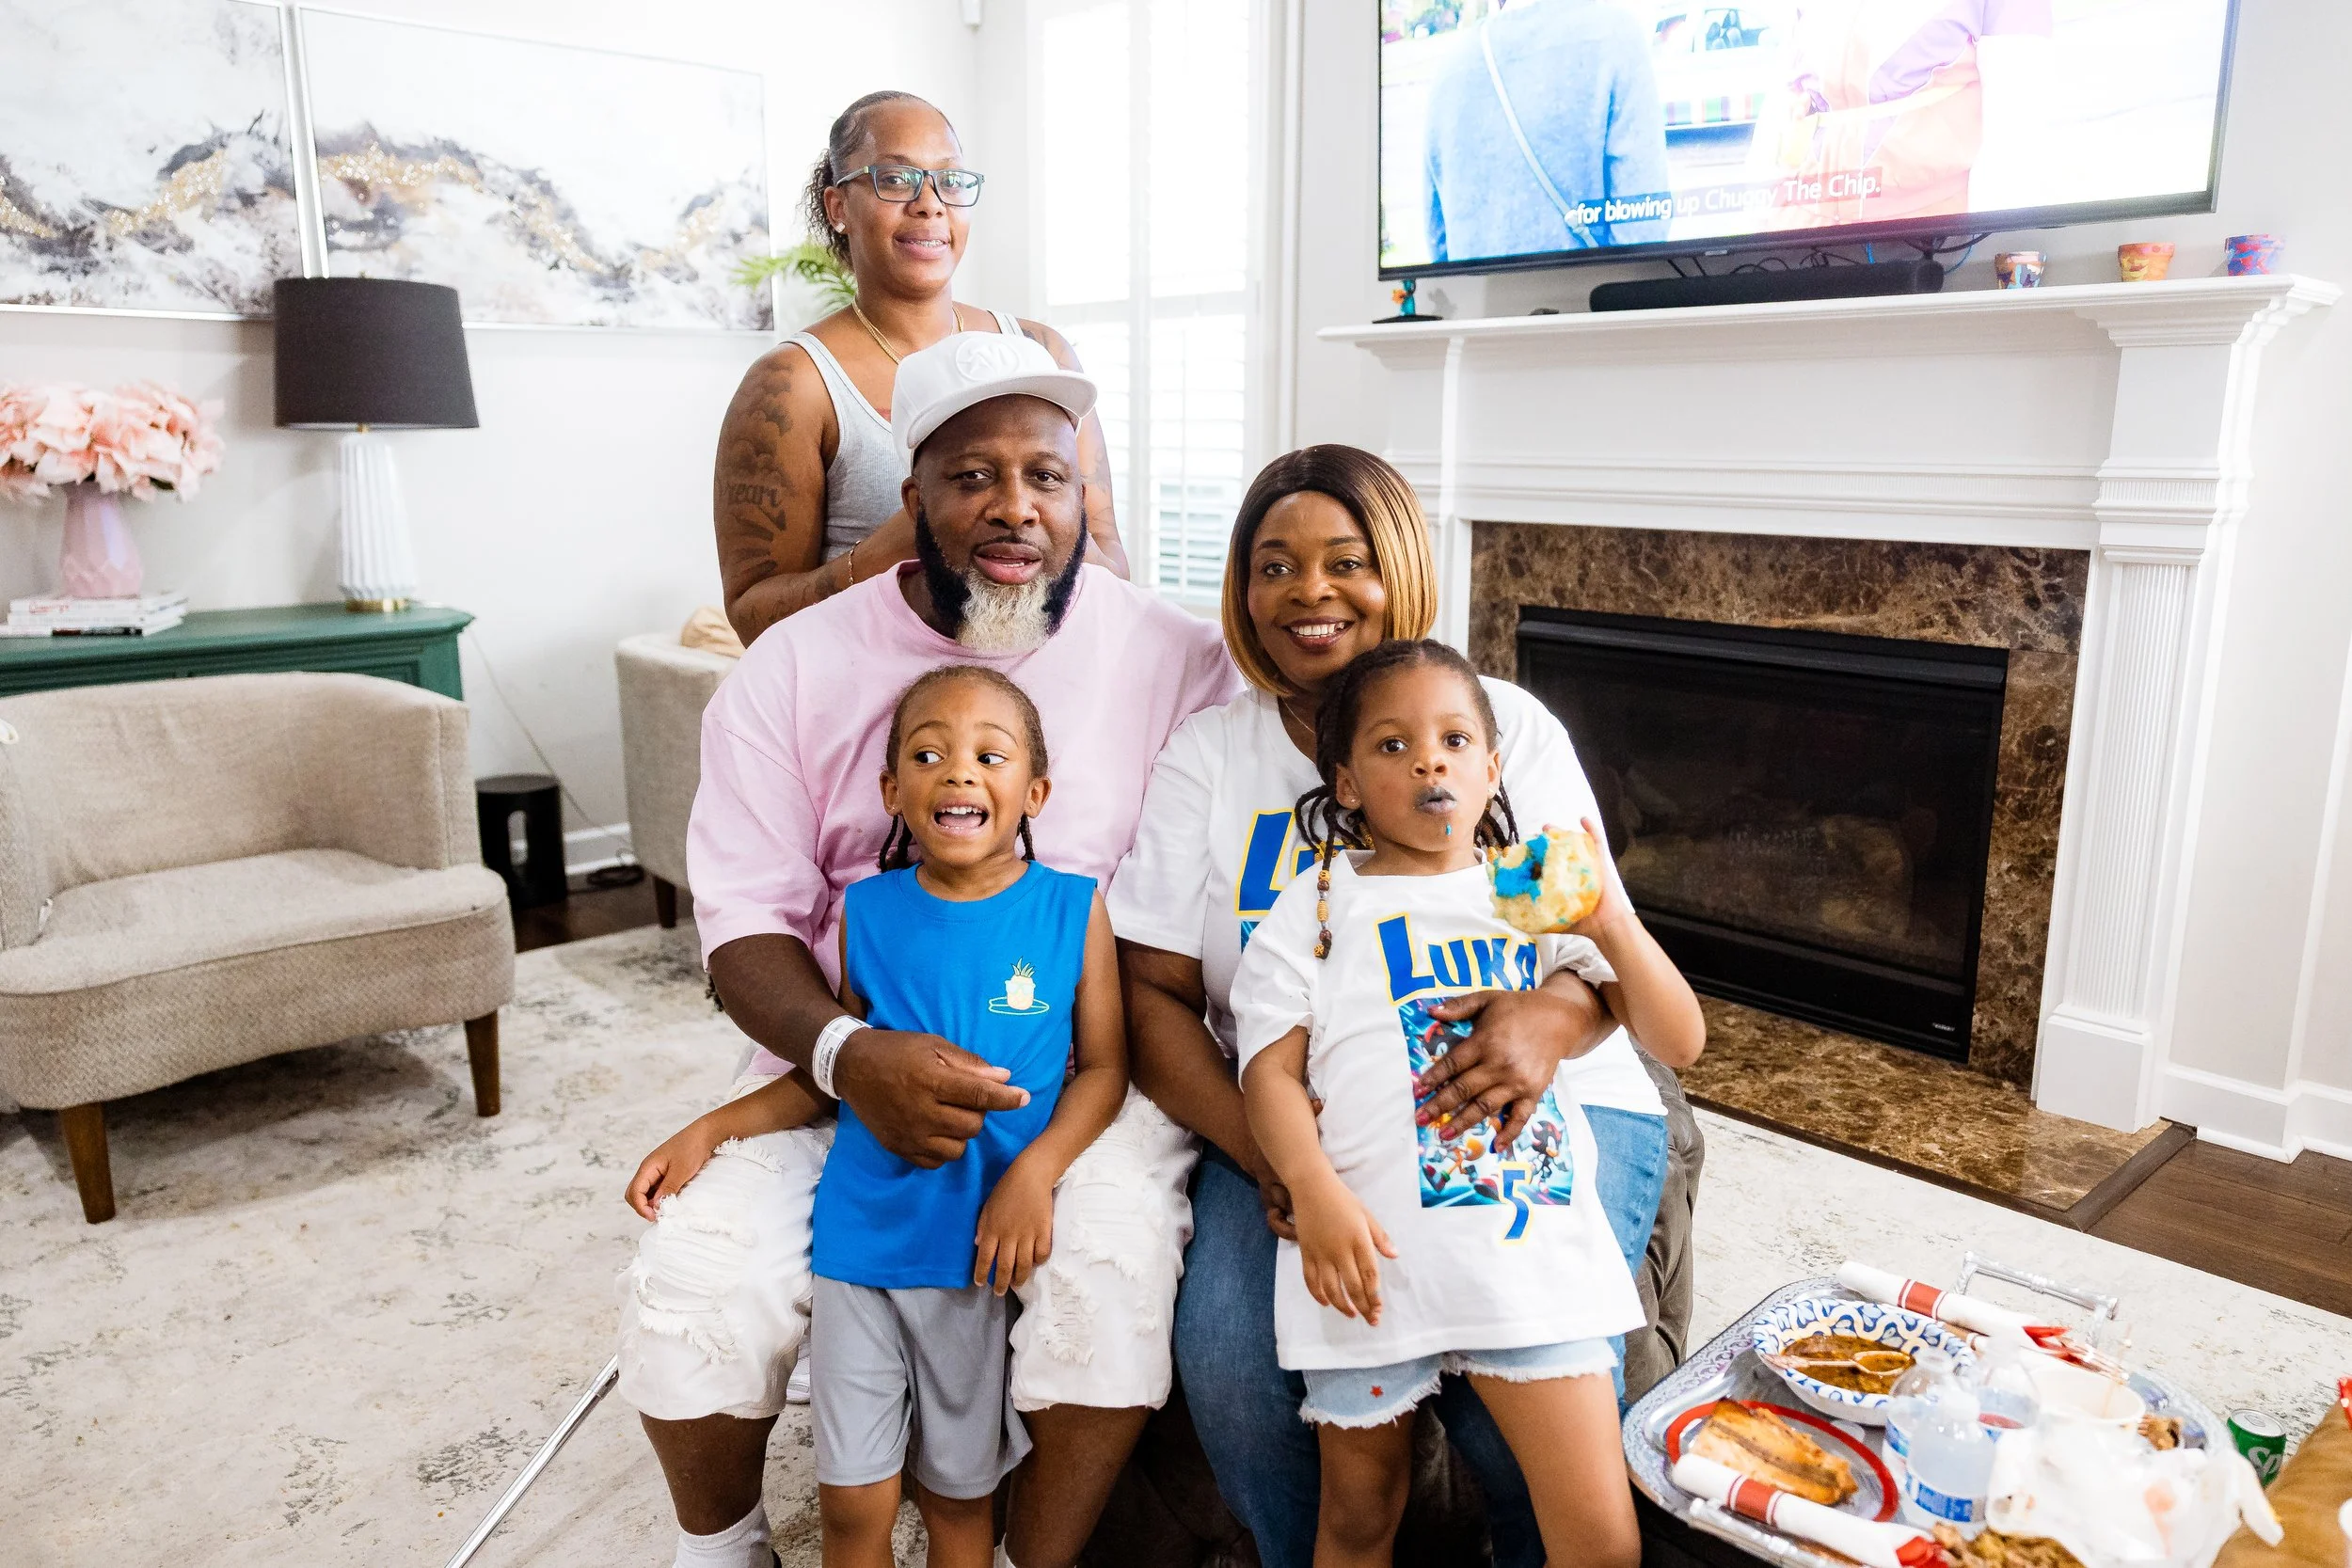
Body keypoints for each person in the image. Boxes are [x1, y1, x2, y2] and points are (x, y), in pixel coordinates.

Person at [617, 331, 1238, 1568]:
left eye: (1047, 476)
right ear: (913, 498)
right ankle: (726, 1543)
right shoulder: (789, 671)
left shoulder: (1173, 658)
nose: (1016, 507)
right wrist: (854, 1057)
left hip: (1074, 1080)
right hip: (841, 1062)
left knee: (1106, 1280)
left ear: (1080, 496)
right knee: (694, 1280)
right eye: (972, 476)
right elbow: (741, 933)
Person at [1112, 445, 1697, 1568]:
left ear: (1400, 569)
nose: (1309, 590)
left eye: (1346, 560)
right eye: (1273, 565)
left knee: (1513, 1409)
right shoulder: (1222, 765)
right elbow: (1158, 997)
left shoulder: (1504, 724)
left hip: (1546, 1115)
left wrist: (1547, 1022)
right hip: (1318, 1128)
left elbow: (1616, 960)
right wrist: (1284, 1166)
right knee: (1239, 1365)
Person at [633, 665, 1130, 1568]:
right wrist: (710, 1127)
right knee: (854, 1506)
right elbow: (835, 1076)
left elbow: (1104, 1070)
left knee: (958, 1502)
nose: (960, 773)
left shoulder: (1072, 909)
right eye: (929, 753)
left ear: (1036, 791)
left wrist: (1034, 1171)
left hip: (974, 1257)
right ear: (891, 791)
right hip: (858, 1248)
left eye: (990, 754)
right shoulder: (868, 910)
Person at [1232, 640, 1705, 1568]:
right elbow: (1267, 1074)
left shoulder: (1527, 893)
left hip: (1528, 1261)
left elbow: (1678, 1037)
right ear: (1348, 782)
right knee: (1359, 1517)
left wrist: (1607, 913)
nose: (1429, 760)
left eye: (1454, 740)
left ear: (1493, 770)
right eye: (1393, 744)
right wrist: (1313, 1188)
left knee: (1598, 1533)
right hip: (1368, 1260)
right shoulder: (1316, 903)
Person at [714, 89, 1128, 647]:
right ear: (839, 207)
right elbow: (752, 617)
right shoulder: (794, 385)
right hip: (870, 707)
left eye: (950, 181)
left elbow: (1112, 566)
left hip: (1035, 706)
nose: (930, 204)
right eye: (896, 178)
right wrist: (892, 550)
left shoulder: (1042, 353)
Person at [1422, 0, 1672, 262]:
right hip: (1592, 297)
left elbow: (1438, 242)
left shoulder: (1448, 70)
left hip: (1480, 301)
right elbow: (1644, 227)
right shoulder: (1615, 36)